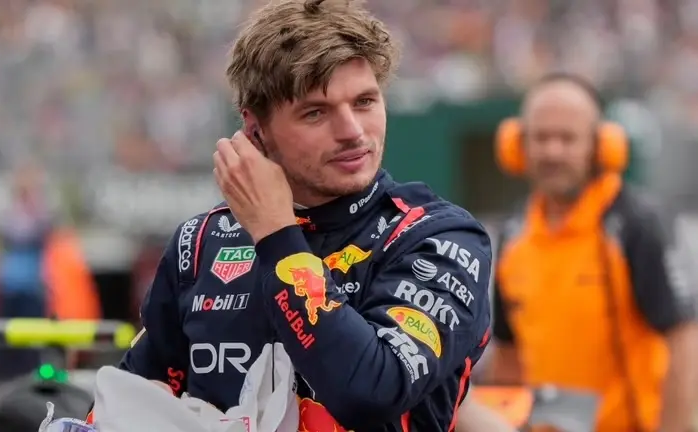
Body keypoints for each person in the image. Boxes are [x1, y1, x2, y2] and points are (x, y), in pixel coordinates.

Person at [87, 0, 494, 430]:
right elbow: (130, 399)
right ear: (255, 131)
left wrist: (276, 234)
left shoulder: (437, 236)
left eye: (364, 102)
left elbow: (373, 392)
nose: (352, 131)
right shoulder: (201, 241)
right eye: (315, 112)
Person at [485, 73, 698, 432]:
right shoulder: (513, 234)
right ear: (517, 144)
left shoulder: (634, 225)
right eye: (541, 137)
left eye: (567, 138)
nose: (552, 151)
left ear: (601, 146)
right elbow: (508, 355)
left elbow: (683, 340)